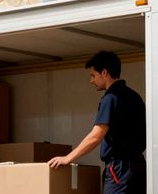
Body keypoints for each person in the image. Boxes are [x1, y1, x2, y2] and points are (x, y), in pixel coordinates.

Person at [48, 51, 146, 194]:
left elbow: (96, 136)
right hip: (138, 167)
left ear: (104, 72)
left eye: (93, 75)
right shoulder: (134, 96)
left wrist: (67, 158)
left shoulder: (111, 98)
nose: (91, 81)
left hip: (119, 169)